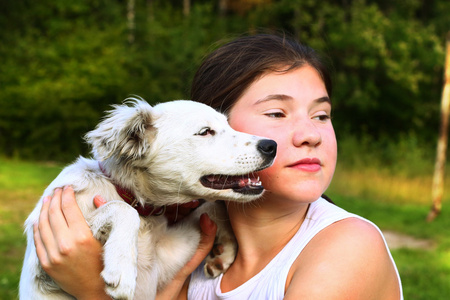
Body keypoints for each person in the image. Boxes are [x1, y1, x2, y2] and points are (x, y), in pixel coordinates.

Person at [33, 33, 403, 299]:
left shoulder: (349, 248)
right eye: (277, 112)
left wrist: (94, 292)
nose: (311, 135)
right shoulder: (193, 248)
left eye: (322, 115)